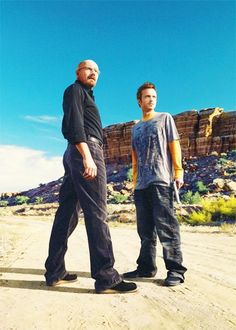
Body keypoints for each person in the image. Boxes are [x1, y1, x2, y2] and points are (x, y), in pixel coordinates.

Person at [44, 59, 137, 294]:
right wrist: (87, 156)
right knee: (97, 212)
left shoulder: (86, 94)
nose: (93, 73)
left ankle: (55, 271)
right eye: (89, 69)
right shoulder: (75, 90)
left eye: (97, 71)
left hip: (76, 152)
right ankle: (107, 277)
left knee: (67, 213)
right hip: (85, 150)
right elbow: (74, 124)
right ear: (78, 71)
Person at [123, 82, 187, 286]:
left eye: (154, 96)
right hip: (141, 185)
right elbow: (134, 158)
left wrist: (178, 172)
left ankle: (176, 270)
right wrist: (134, 182)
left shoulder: (164, 118)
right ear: (139, 100)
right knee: (145, 231)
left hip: (161, 180)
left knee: (166, 227)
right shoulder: (135, 128)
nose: (151, 99)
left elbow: (174, 145)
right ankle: (146, 267)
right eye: (147, 96)